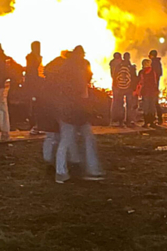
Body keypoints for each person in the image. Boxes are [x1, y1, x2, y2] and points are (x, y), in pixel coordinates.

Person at [54, 46, 103, 183]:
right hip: (75, 111)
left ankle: (63, 171)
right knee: (85, 139)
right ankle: (91, 170)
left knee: (67, 140)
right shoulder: (78, 70)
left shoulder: (65, 67)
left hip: (67, 111)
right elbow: (81, 92)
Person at [110, 52, 133, 127]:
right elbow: (134, 78)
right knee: (129, 105)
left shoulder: (119, 66)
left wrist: (116, 85)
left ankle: (120, 121)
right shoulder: (131, 67)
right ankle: (129, 121)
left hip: (119, 87)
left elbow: (115, 76)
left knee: (119, 104)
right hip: (129, 88)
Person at [135, 58, 160, 128]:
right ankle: (151, 122)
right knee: (151, 107)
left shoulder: (142, 72)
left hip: (146, 92)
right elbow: (155, 82)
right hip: (151, 92)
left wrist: (138, 91)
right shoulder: (152, 72)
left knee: (147, 107)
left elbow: (139, 82)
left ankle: (147, 122)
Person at [25, 42, 44, 131]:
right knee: (33, 104)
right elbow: (32, 71)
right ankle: (33, 124)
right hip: (32, 83)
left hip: (36, 83)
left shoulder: (37, 57)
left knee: (37, 104)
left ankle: (37, 124)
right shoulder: (31, 57)